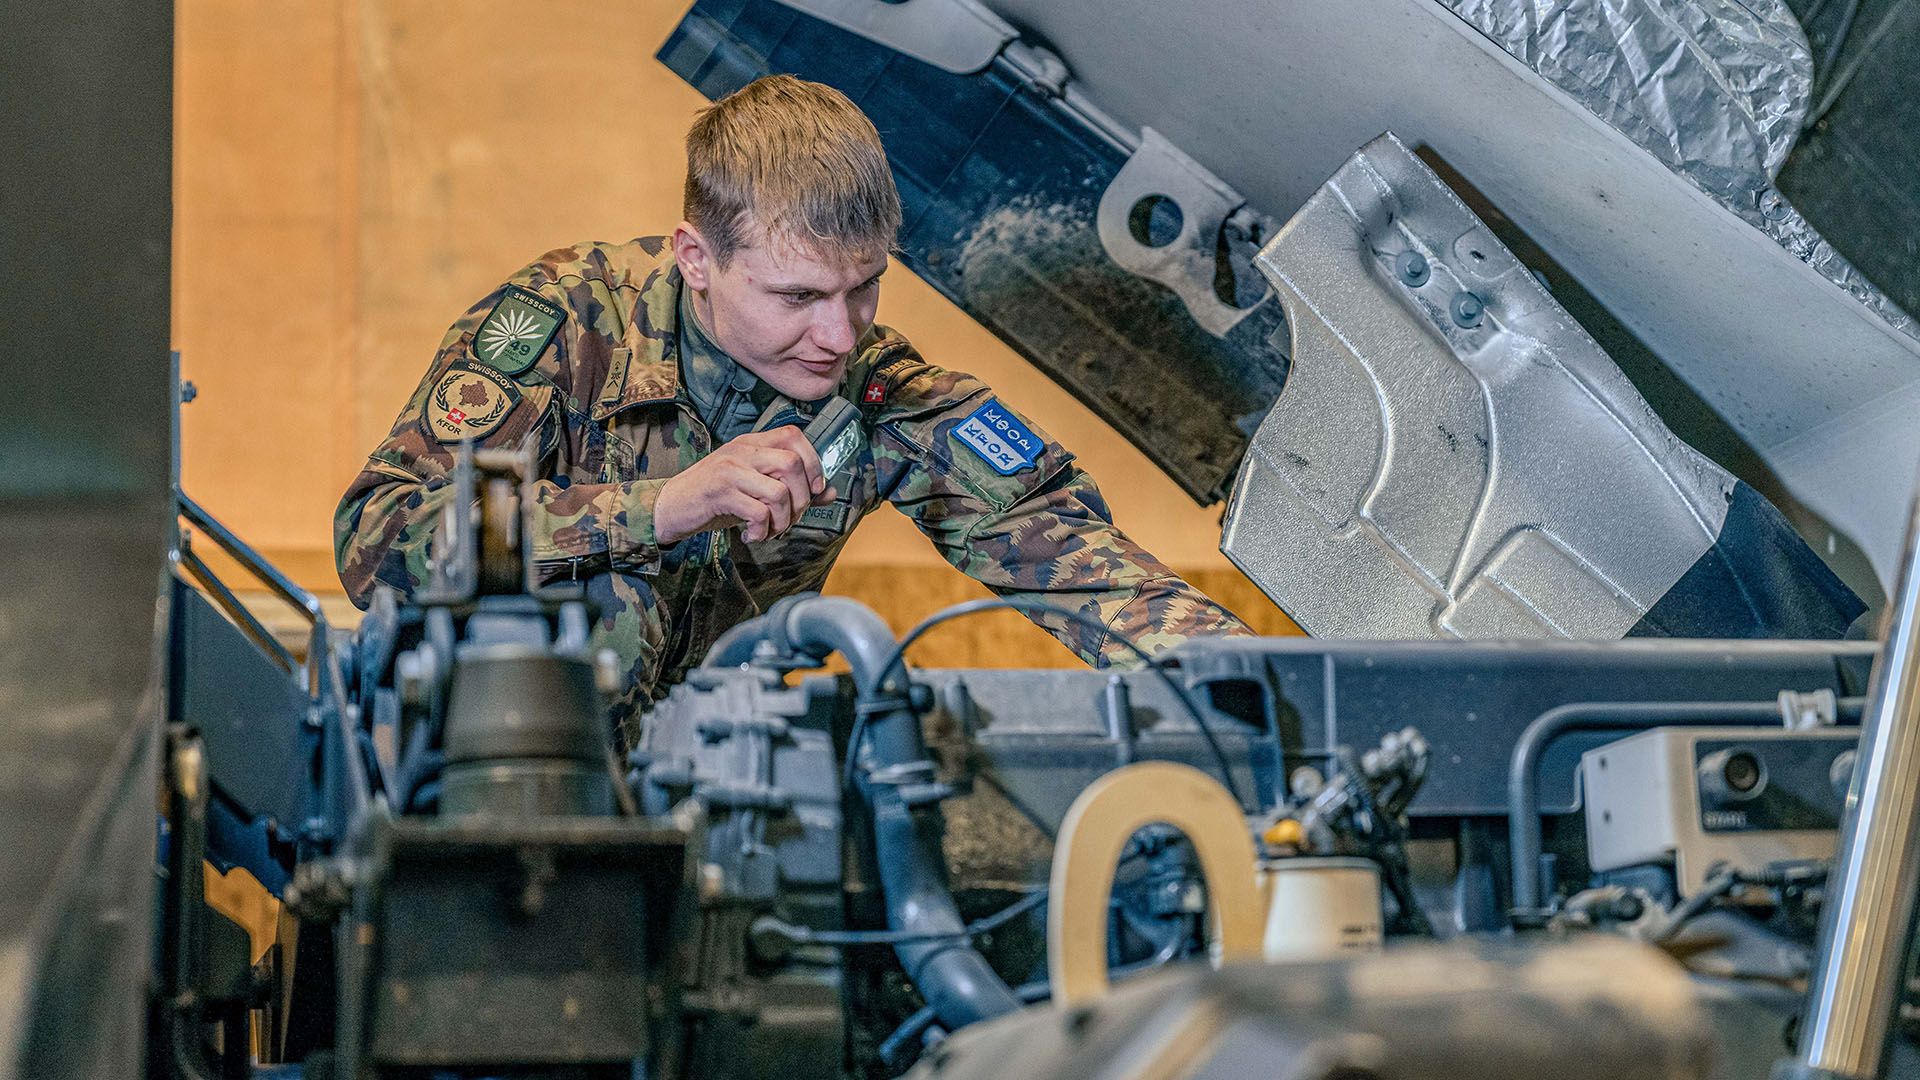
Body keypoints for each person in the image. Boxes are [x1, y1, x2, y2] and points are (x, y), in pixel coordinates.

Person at [334, 74, 1249, 741]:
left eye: (864, 289)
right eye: (798, 298)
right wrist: (660, 507)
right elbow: (382, 536)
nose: (841, 334)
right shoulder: (568, 325)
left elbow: (1082, 565)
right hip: (500, 794)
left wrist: (1261, 688)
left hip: (725, 801)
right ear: (698, 258)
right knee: (601, 605)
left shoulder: (878, 396)